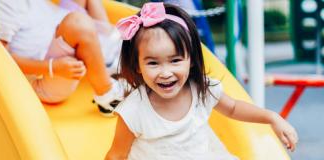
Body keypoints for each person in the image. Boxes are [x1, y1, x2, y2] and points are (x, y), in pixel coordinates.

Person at [105, 2, 298, 159]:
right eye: (153, 63)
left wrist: (272, 118)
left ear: (191, 60)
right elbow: (117, 155)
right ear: (138, 65)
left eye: (175, 60)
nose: (165, 72)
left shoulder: (201, 89)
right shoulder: (134, 110)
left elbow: (233, 108)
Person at [0, 0, 123, 117]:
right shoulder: (1, 7)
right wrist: (53, 67)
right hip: (45, 75)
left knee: (77, 21)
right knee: (77, 23)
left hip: (55, 31)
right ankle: (107, 95)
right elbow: (1, 60)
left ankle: (109, 47)